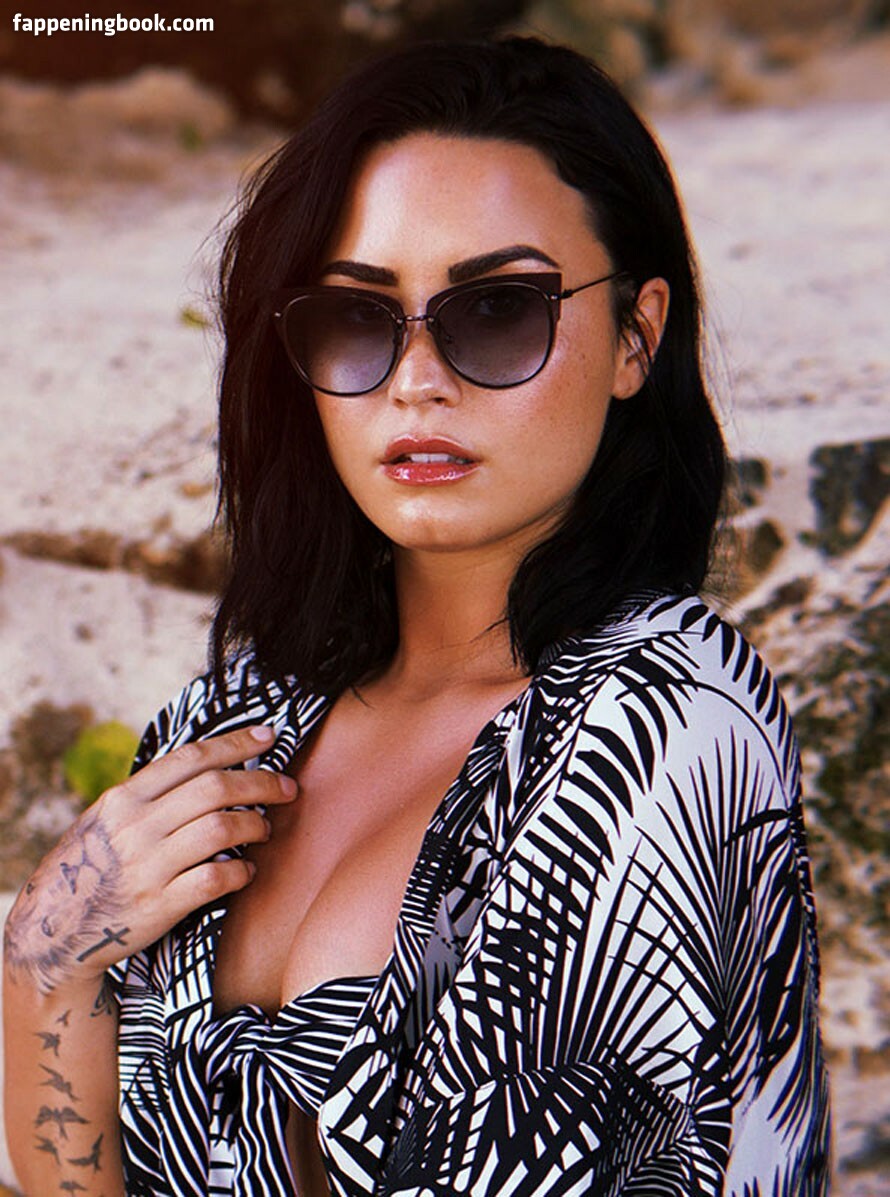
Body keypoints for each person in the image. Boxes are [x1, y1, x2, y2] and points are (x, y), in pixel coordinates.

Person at [3, 34, 830, 1197]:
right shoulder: (232, 719)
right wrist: (44, 967)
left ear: (634, 336)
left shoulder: (663, 725)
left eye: (496, 311)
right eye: (357, 318)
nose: (416, 380)